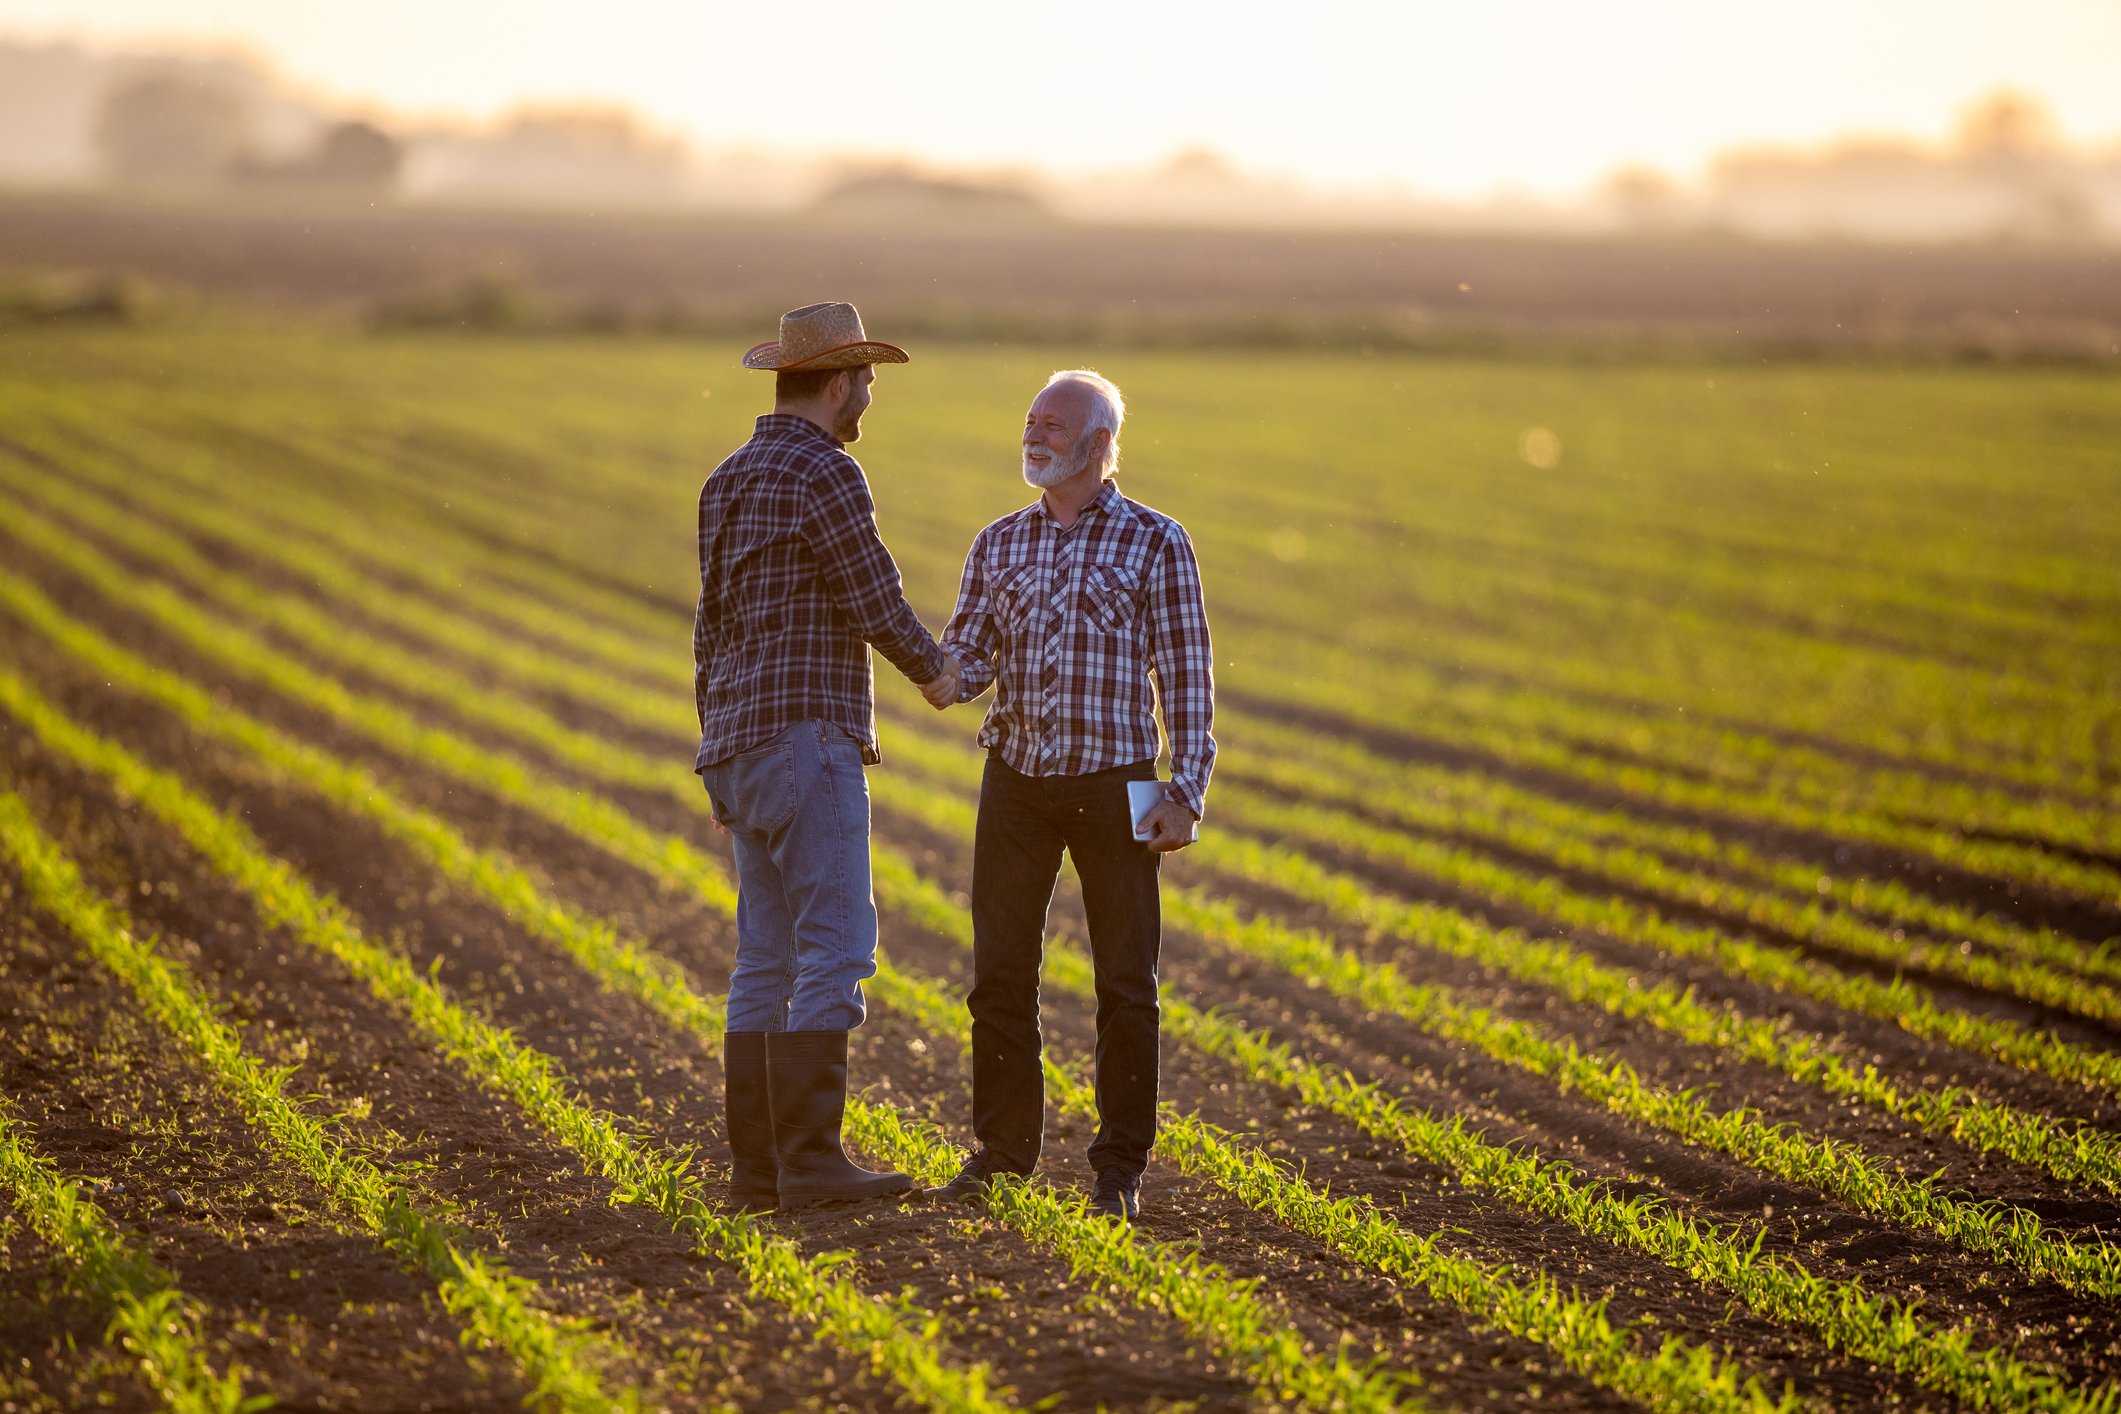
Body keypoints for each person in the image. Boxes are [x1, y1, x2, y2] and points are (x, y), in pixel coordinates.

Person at [926, 369, 1215, 1223]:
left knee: (1127, 982)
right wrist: (926, 663)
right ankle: (1002, 1155)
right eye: (1029, 420)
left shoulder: (1156, 542)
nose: (1034, 434)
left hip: (1116, 784)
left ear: (1097, 446)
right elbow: (968, 660)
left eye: (1053, 425)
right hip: (1014, 780)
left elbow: (1187, 677)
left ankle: (1118, 1169)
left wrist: (1183, 792)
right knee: (999, 977)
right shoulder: (997, 543)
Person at [693, 301, 960, 1211]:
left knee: (762, 957)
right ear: (841, 381)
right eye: (868, 383)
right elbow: (873, 598)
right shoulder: (826, 473)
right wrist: (938, 675)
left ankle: (757, 1172)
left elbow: (710, 628)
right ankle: (809, 1162)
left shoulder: (726, 478)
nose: (868, 400)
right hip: (807, 737)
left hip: (737, 743)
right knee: (835, 949)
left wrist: (715, 749)